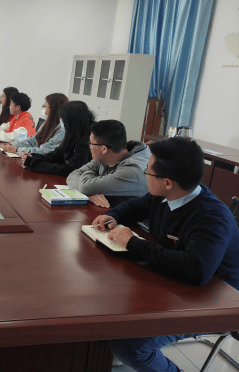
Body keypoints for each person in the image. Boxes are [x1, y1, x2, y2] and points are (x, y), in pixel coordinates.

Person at [92, 138, 239, 372]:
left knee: (129, 346)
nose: (145, 176)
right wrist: (114, 215)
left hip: (217, 301)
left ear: (168, 182)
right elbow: (136, 207)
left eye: (148, 172)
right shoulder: (165, 195)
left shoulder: (212, 217)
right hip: (177, 283)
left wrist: (133, 243)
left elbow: (197, 270)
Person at [67, 119, 150, 208]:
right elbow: (72, 175)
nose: (89, 146)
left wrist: (87, 187)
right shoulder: (105, 157)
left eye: (91, 143)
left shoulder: (132, 171)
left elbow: (85, 186)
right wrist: (89, 194)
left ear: (104, 149)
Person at [21, 100, 95, 176]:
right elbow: (59, 154)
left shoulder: (89, 139)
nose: (61, 121)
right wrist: (34, 157)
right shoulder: (75, 130)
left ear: (71, 119)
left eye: (63, 118)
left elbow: (71, 169)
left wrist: (36, 164)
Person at [1, 93, 68, 156]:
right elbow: (34, 141)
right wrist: (12, 145)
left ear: (54, 109)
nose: (44, 109)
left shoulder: (62, 129)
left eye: (45, 106)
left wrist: (17, 150)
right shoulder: (48, 122)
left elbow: (45, 150)